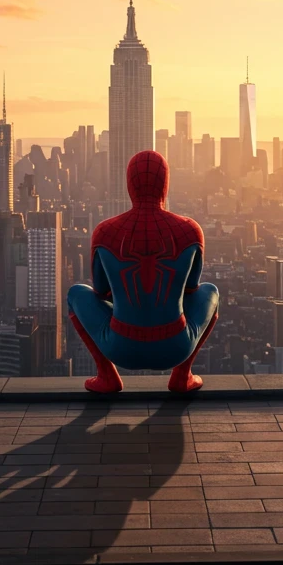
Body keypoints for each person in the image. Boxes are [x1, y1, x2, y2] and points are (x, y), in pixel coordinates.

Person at [67, 150, 219, 394]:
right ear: (165, 184)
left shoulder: (105, 232)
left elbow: (100, 291)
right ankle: (182, 375)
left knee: (76, 294)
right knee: (211, 291)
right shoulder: (190, 230)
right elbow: (192, 288)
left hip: (119, 346)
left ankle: (107, 376)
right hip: (176, 346)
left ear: (129, 184)